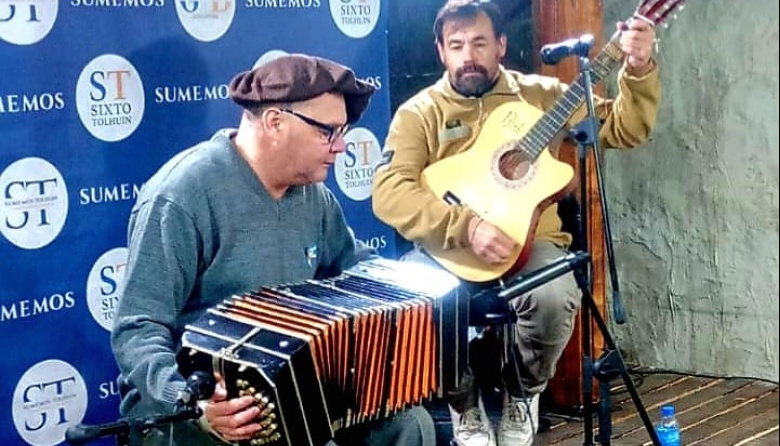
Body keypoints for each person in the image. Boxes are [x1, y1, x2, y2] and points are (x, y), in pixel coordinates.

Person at [372, 1, 661, 446]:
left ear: (501, 45)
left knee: (555, 294)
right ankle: (464, 404)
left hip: (531, 242)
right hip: (447, 245)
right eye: (456, 45)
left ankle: (523, 393)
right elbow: (389, 190)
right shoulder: (419, 113)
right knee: (421, 303)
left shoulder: (542, 96)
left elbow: (625, 129)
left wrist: (638, 69)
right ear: (441, 51)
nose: (468, 55)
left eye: (480, 43)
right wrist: (464, 226)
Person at [111, 53, 436, 446]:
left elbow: (352, 266)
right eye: (328, 132)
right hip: (200, 408)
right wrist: (190, 402)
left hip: (291, 388)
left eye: (344, 131)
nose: (340, 147)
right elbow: (137, 328)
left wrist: (427, 290)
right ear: (275, 123)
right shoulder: (181, 196)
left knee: (410, 425)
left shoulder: (313, 196)